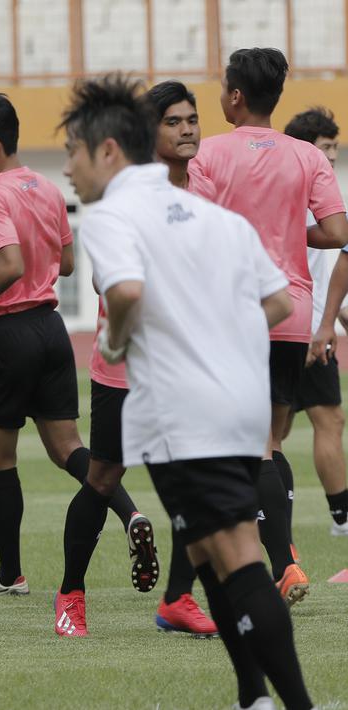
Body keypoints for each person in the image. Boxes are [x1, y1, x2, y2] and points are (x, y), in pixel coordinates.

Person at [69, 72, 315, 710]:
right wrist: (217, 336)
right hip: (238, 403)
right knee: (207, 552)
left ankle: (294, 703)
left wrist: (117, 342)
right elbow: (278, 302)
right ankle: (252, 695)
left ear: (108, 150)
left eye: (73, 152)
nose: (69, 168)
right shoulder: (214, 214)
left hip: (183, 410)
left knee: (238, 558)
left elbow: (125, 292)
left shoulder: (111, 215)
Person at [0, 93, 154, 602]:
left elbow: (10, 265)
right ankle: (130, 513)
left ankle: (10, 575)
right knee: (68, 448)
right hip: (50, 331)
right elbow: (66, 265)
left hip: (4, 336)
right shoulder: (48, 188)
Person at [52, 81, 218, 638]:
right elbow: (109, 283)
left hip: (185, 365)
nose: (187, 130)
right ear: (148, 133)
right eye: (173, 122)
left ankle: (179, 599)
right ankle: (71, 595)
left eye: (192, 119)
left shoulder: (206, 188)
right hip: (124, 369)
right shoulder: (119, 197)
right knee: (102, 478)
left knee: (196, 483)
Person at [189, 47, 348, 605]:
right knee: (272, 441)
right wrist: (285, 230)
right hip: (292, 311)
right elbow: (336, 232)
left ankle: (279, 564)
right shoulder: (307, 156)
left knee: (242, 446)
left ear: (235, 95)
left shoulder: (208, 153)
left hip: (234, 311)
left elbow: (196, 229)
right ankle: (285, 556)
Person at [285, 108, 348, 539]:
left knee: (305, 423)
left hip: (299, 327)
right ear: (306, 151)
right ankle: (341, 517)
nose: (332, 157)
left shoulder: (294, 194)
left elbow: (322, 271)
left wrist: (336, 315)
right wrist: (320, 325)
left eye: (335, 148)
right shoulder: (306, 201)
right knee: (304, 424)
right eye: (326, 148)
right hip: (303, 330)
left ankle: (339, 516)